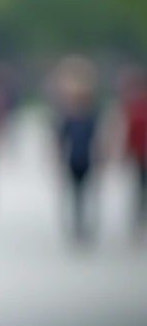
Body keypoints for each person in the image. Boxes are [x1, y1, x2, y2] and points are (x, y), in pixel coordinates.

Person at [53, 55, 101, 246]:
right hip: (74, 158)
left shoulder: (90, 115)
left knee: (83, 192)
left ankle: (82, 224)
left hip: (86, 158)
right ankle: (77, 224)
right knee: (75, 193)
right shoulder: (68, 117)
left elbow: (97, 139)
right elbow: (60, 140)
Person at [119, 65, 147, 240]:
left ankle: (139, 217)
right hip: (141, 156)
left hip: (140, 155)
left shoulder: (135, 108)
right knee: (140, 188)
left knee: (140, 189)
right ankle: (139, 217)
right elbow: (131, 133)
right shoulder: (135, 108)